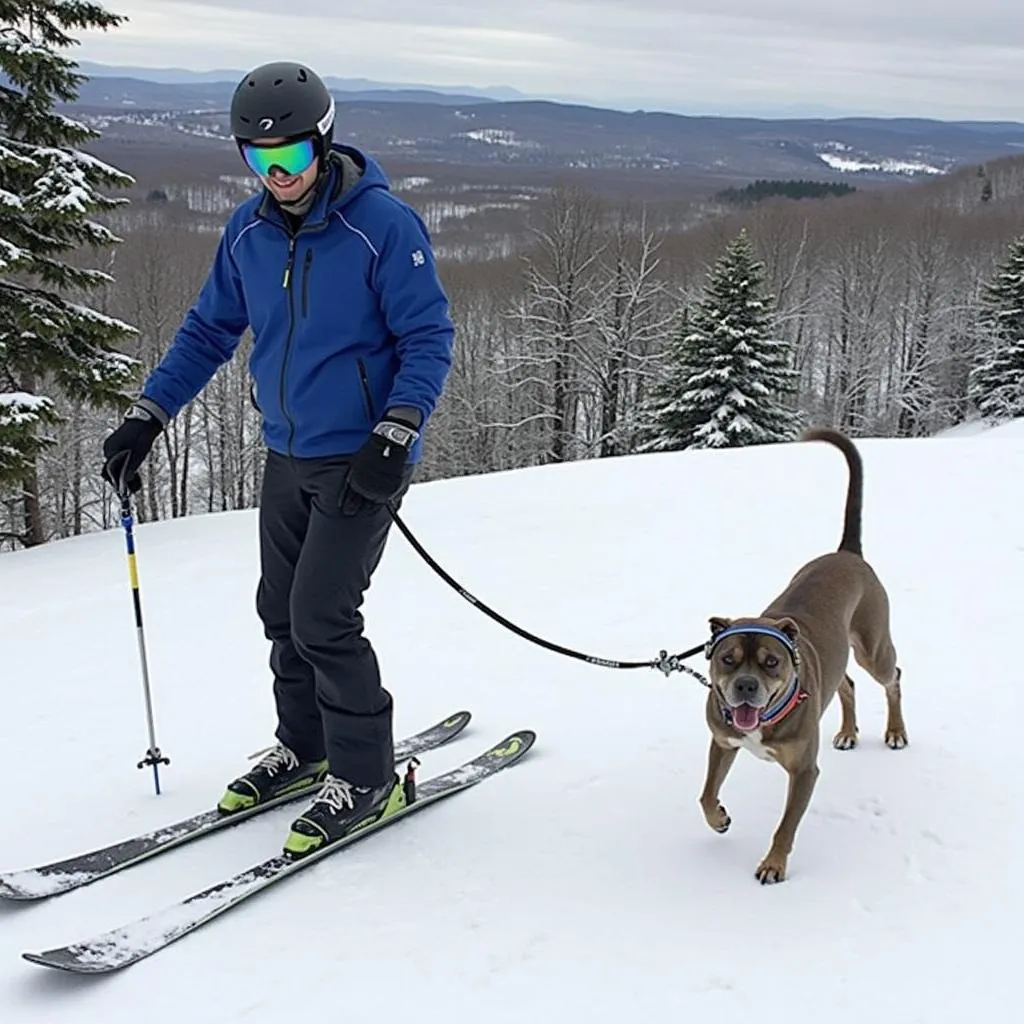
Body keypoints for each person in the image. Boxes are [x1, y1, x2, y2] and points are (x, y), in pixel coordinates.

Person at [100, 61, 454, 858]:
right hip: (287, 452)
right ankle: (307, 747)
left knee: (325, 618)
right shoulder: (248, 233)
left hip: (362, 458)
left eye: (290, 159)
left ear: (322, 146)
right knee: (281, 612)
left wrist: (396, 430)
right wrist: (147, 416)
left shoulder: (381, 226)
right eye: (259, 161)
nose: (277, 176)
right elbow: (207, 332)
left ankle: (368, 777)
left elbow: (428, 336)